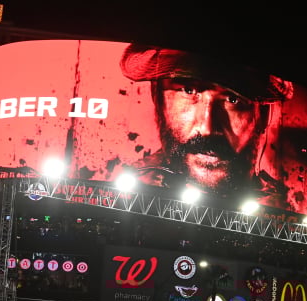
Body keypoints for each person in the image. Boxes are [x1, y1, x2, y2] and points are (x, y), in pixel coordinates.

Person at [119, 44, 293, 204]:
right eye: (189, 91)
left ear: (263, 116)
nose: (207, 128)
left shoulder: (286, 208)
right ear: (157, 99)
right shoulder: (122, 196)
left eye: (233, 99)